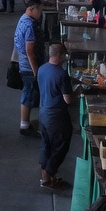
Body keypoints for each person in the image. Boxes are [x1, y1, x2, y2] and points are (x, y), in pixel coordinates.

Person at [37, 43, 73, 189]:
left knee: (46, 144)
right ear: (58, 56)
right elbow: (68, 99)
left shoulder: (42, 69)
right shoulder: (61, 74)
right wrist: (76, 91)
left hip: (43, 112)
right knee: (60, 146)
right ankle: (48, 173)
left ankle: (46, 177)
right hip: (56, 116)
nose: (66, 57)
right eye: (64, 54)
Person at [13, 0, 45, 136]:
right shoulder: (30, 26)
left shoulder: (23, 19)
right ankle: (24, 125)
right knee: (28, 94)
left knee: (29, 93)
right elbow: (30, 50)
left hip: (23, 63)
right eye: (40, 10)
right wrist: (36, 71)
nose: (41, 13)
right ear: (33, 9)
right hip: (28, 66)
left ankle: (25, 123)